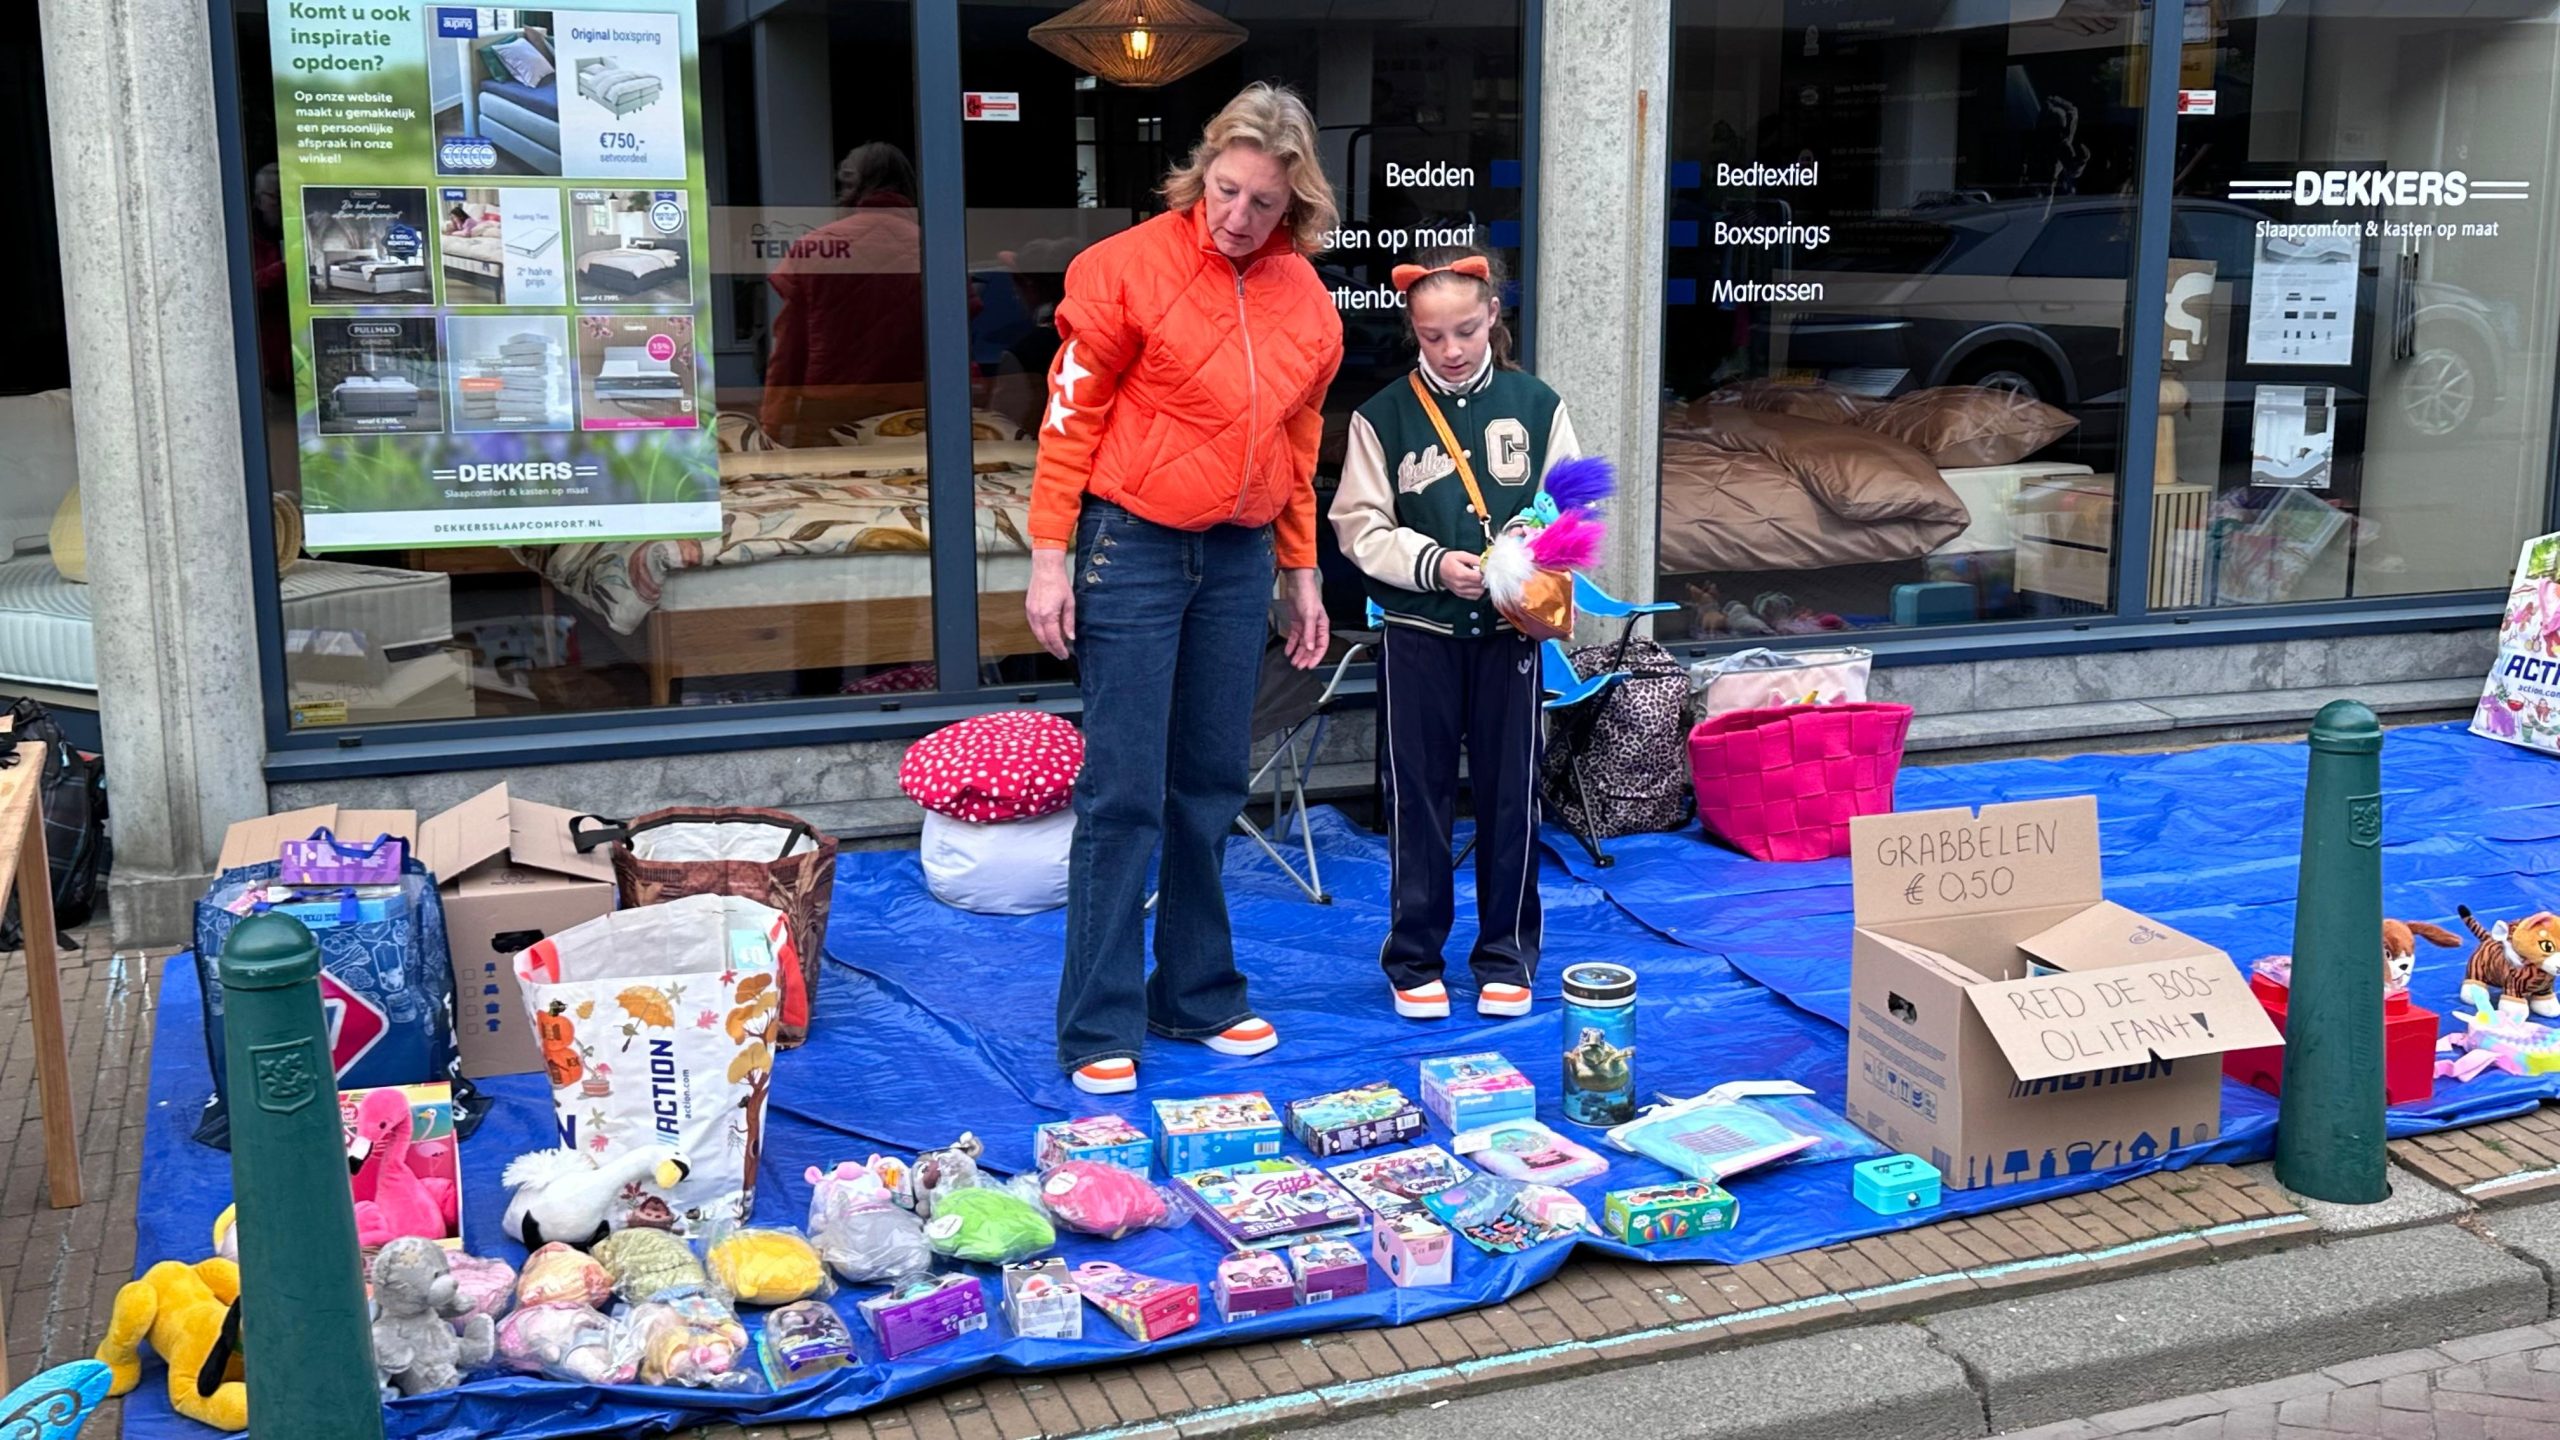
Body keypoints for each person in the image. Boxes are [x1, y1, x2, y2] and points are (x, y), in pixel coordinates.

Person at [1026, 83, 1345, 1095]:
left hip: (1239, 555)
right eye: (1225, 190)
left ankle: (1195, 992)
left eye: (1263, 202)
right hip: (1133, 545)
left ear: (1296, 205)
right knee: (1124, 790)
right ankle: (1099, 1021)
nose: (1238, 216)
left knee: (1210, 780)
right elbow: (1070, 417)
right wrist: (1048, 553)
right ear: (1201, 175)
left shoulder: (1308, 301)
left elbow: (1298, 446)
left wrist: (1301, 570)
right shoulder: (1124, 269)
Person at [1328, 246, 1581, 1021]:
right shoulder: (1381, 416)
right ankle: (1415, 958)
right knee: (1419, 798)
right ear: (1412, 329)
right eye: (1432, 335)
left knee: (1512, 795)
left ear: (1493, 315)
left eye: (1466, 331)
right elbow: (1358, 525)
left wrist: (1528, 550)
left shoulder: (1537, 405)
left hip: (1510, 638)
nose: (1451, 350)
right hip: (1418, 633)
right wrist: (1433, 564)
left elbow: (1575, 504)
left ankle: (1507, 955)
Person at [759, 143, 931, 447]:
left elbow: (790, 348)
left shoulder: (816, 246)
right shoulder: (935, 246)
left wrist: (773, 423)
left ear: (854, 186)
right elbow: (958, 342)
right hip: (920, 410)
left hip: (830, 411)